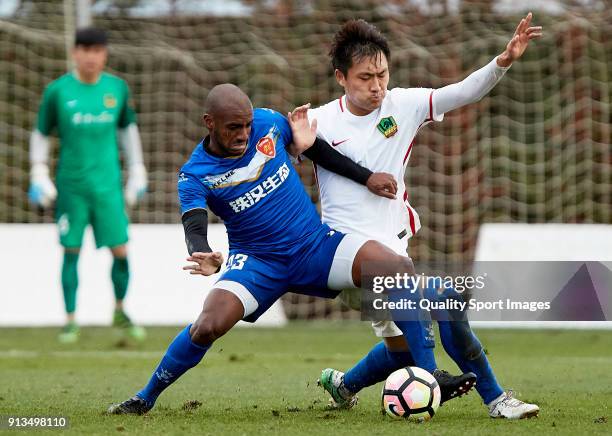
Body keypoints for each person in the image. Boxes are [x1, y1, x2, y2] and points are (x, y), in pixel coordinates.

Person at [107, 83, 473, 415]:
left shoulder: (268, 123)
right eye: (233, 127)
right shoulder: (195, 173)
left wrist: (366, 177)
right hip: (258, 263)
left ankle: (429, 375)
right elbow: (194, 221)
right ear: (209, 122)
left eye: (247, 125)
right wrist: (204, 252)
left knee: (395, 266)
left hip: (314, 246)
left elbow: (318, 150)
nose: (243, 134)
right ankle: (145, 396)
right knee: (206, 326)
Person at [306, 14, 541, 419]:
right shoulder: (318, 121)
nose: (377, 85)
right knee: (438, 310)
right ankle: (490, 397)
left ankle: (344, 385)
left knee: (403, 348)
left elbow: (462, 92)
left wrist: (502, 61)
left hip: (395, 249)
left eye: (382, 73)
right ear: (341, 77)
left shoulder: (404, 105)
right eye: (365, 77)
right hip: (347, 260)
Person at [28, 27, 147, 343]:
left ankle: (120, 310)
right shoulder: (57, 91)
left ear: (104, 54)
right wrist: (38, 172)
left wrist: (137, 169)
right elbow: (41, 133)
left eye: (97, 50)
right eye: (85, 50)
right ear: (75, 52)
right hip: (72, 186)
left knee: (121, 251)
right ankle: (70, 320)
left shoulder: (117, 89)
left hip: (108, 186)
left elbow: (127, 131)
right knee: (71, 250)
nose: (91, 56)